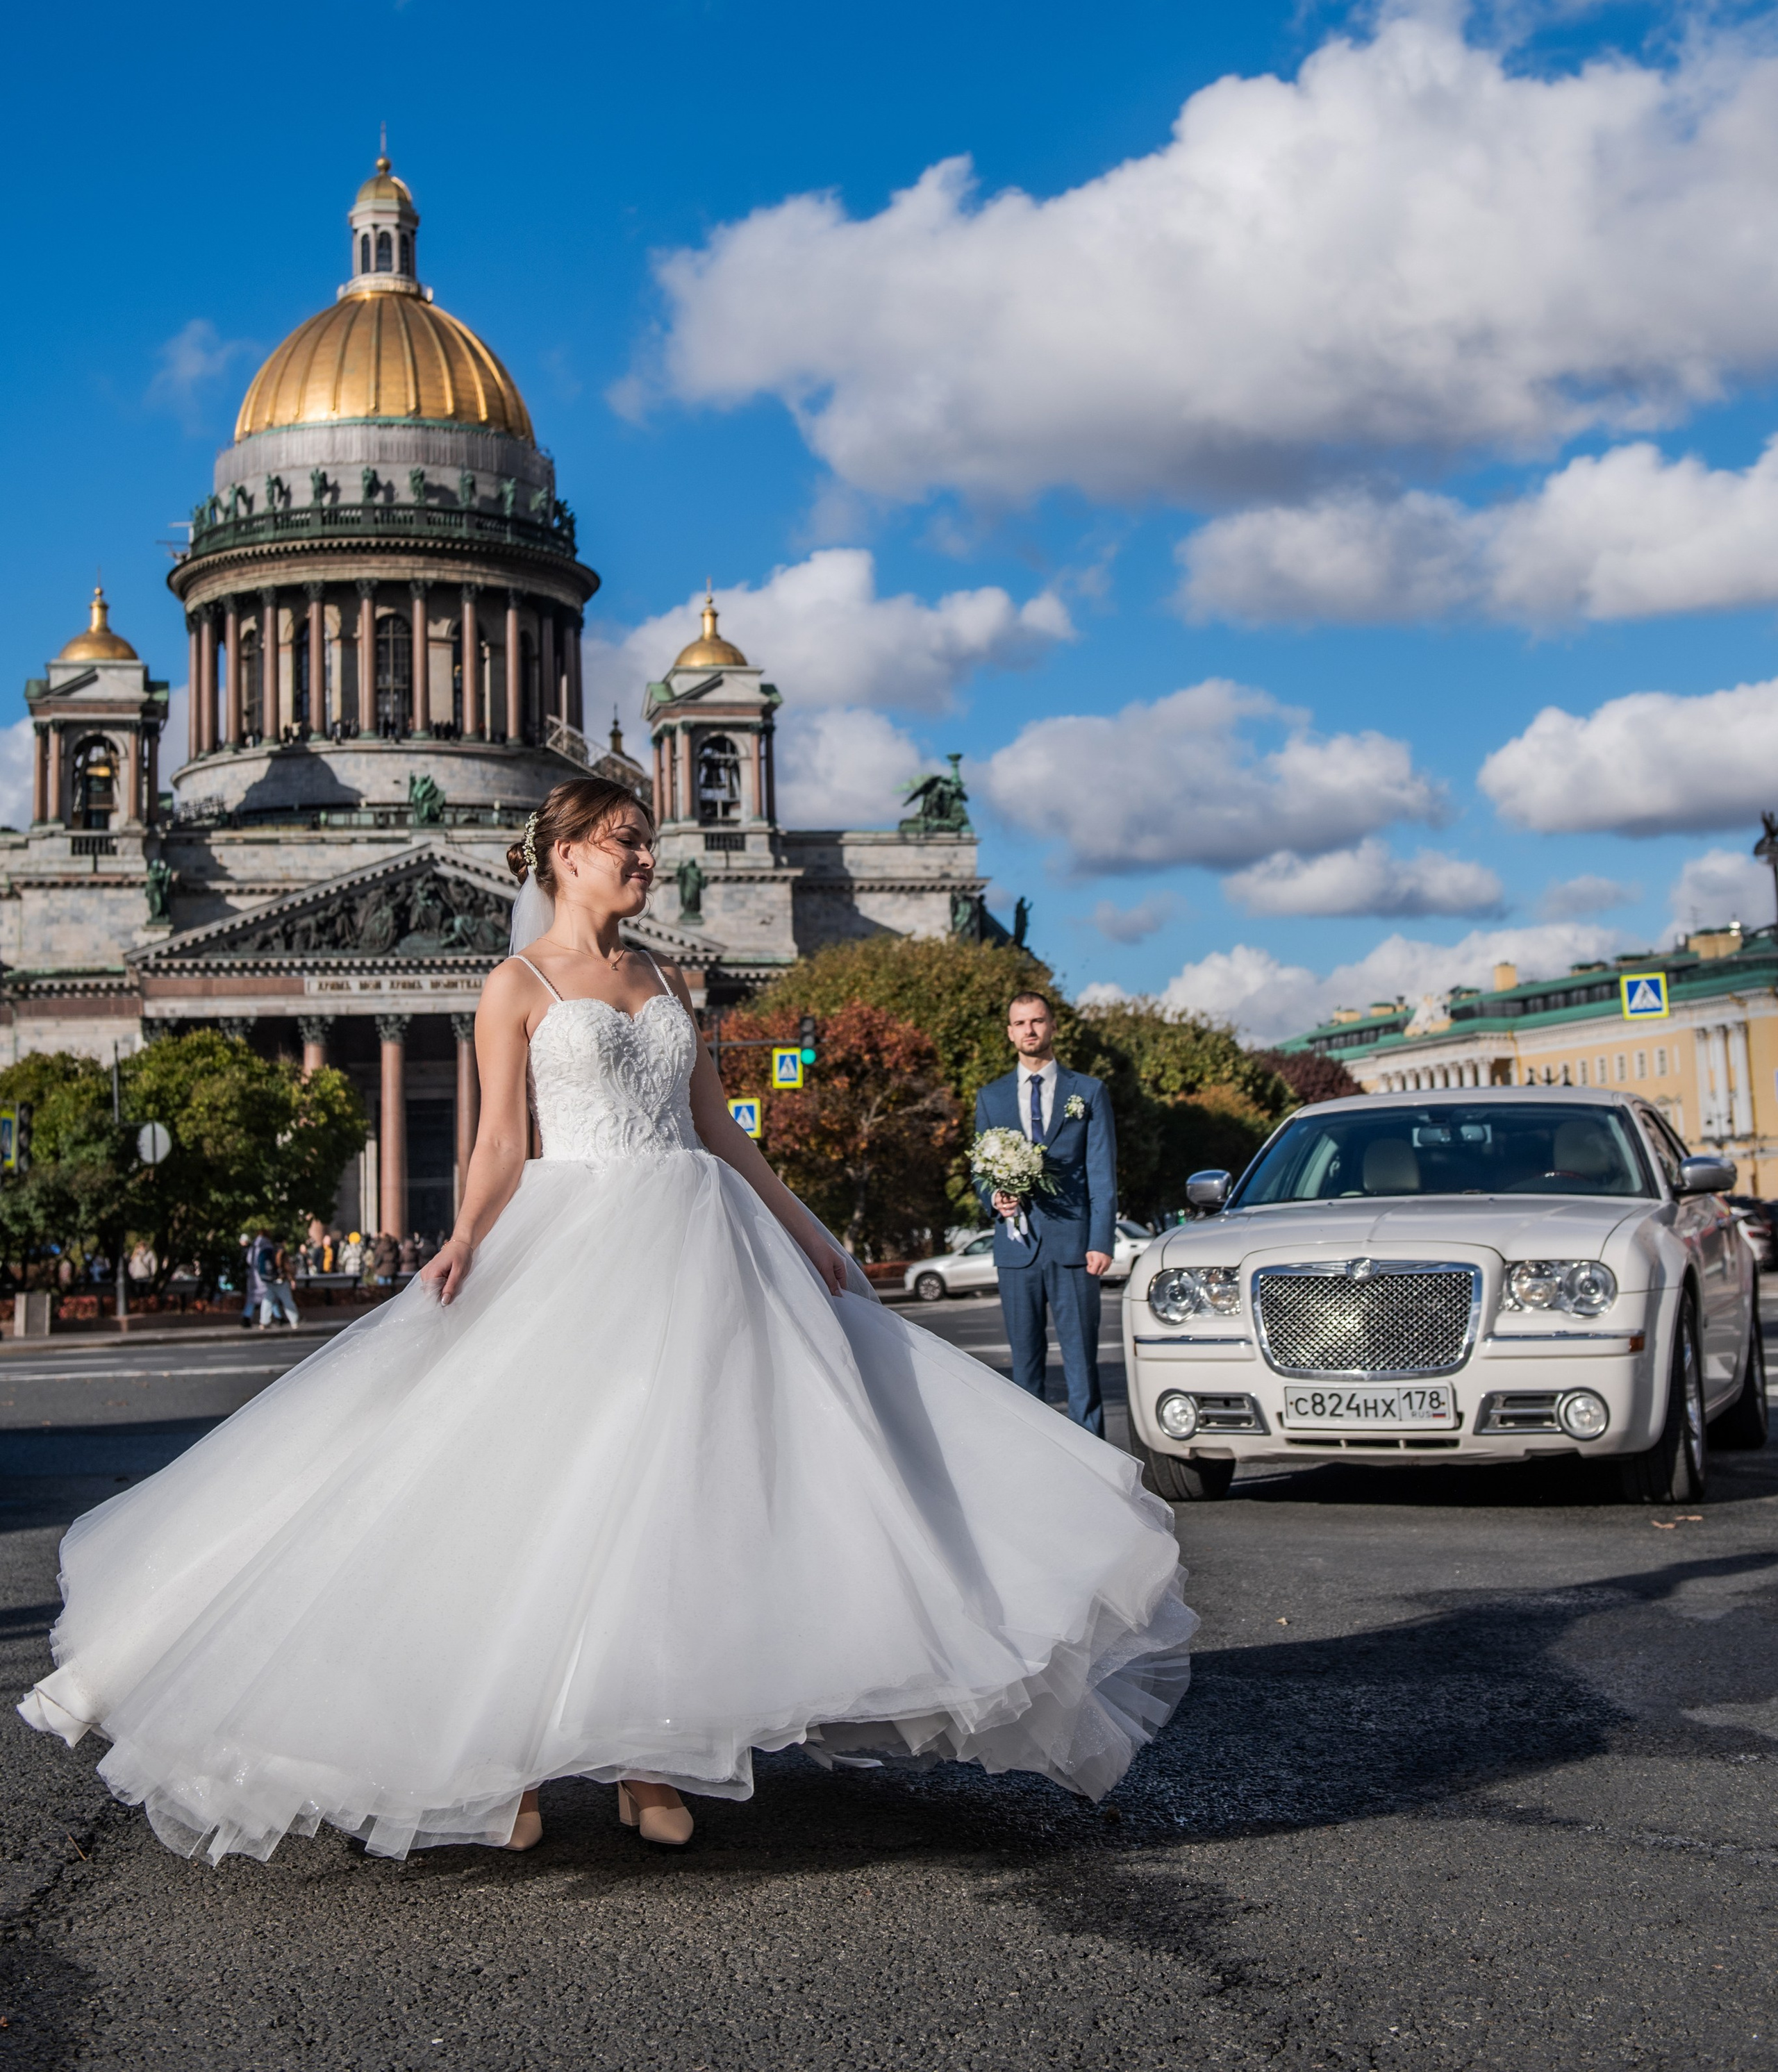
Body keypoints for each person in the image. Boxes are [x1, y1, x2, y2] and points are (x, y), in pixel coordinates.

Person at [18, 776, 1193, 1867]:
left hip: (699, 1234)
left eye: (650, 841)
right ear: (566, 854)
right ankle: (510, 1756)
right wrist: (468, 1239)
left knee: (680, 1493)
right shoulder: (512, 984)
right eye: (627, 842)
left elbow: (724, 1130)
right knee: (538, 1495)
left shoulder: (665, 978)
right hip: (574, 1239)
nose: (648, 856)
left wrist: (813, 1231)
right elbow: (493, 1143)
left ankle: (648, 1753)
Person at [974, 993, 1115, 1437]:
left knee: (1082, 1370)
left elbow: (1101, 1171)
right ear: (1010, 1032)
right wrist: (995, 1199)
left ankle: (1100, 1471)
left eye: (1037, 1021)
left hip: (1075, 1248)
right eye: (1020, 1023)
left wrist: (1100, 1241)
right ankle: (1038, 1471)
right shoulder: (991, 1097)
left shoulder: (1087, 1092)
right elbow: (979, 1170)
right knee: (1025, 1372)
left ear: (1053, 1027)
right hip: (1016, 1252)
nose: (1030, 1030)